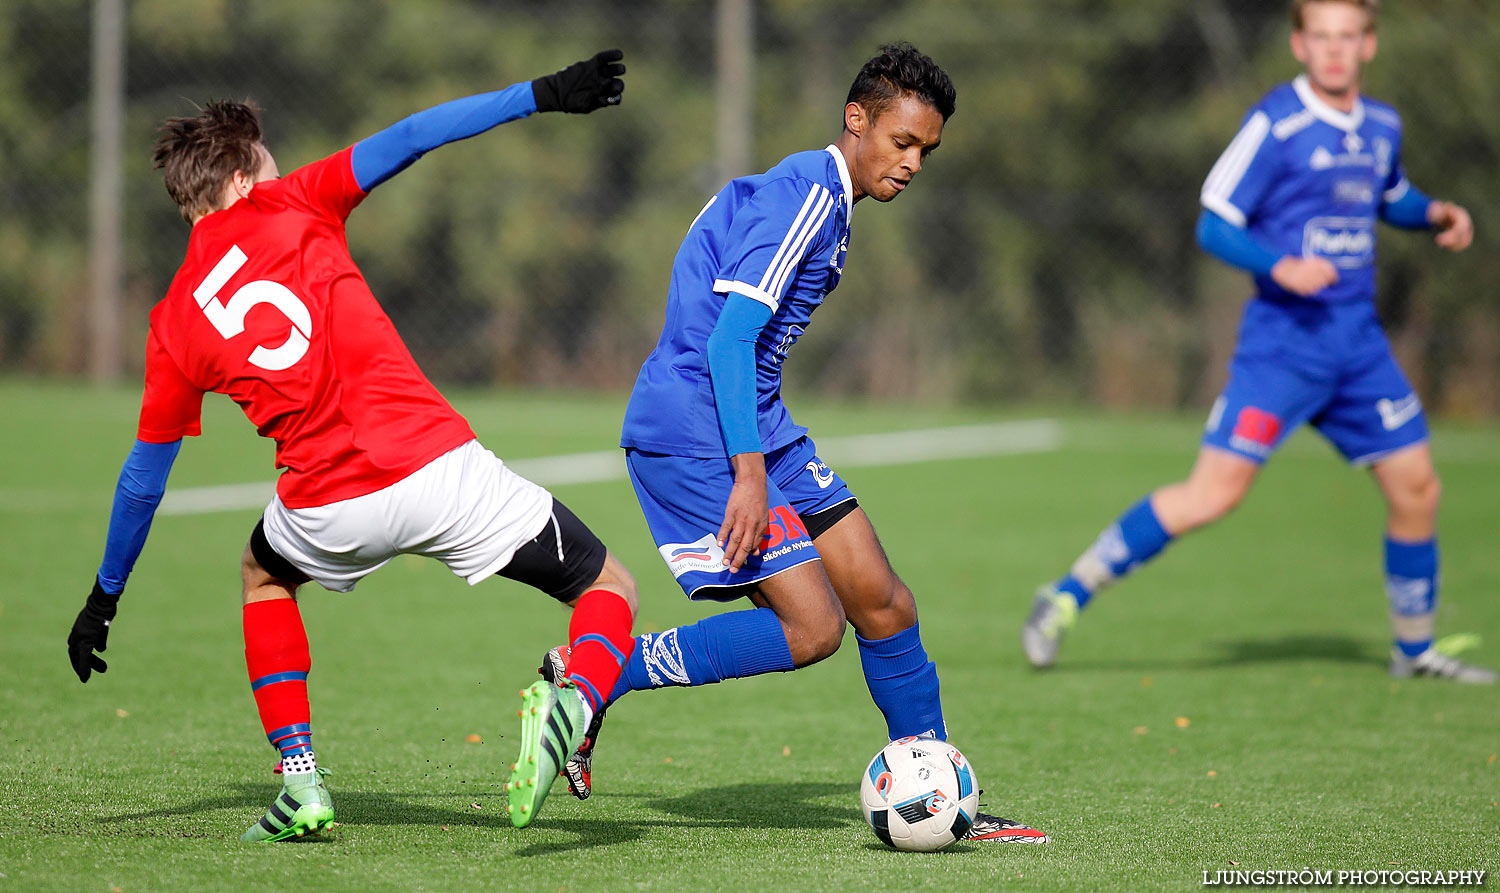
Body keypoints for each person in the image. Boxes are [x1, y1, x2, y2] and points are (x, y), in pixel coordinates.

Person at [66, 50, 644, 841]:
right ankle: (574, 700)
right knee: (605, 581)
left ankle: (301, 780)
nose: (277, 172)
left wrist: (105, 596)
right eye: (266, 164)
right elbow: (413, 133)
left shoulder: (173, 322)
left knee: (263, 574)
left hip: (325, 510)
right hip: (439, 472)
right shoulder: (296, 199)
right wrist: (540, 95)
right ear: (240, 178)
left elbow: (142, 480)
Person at [537, 42, 1046, 843]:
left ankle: (941, 794)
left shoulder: (826, 198)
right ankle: (595, 674)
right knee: (813, 629)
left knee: (882, 599)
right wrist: (748, 474)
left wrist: (759, 452)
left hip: (759, 423)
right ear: (858, 120)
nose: (913, 163)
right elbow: (729, 342)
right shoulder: (805, 196)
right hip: (700, 429)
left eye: (926, 151)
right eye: (902, 141)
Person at [1022, 0, 1492, 684]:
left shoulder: (1382, 124)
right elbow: (1214, 223)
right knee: (1211, 496)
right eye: (1321, 37)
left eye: (1349, 36)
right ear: (1301, 44)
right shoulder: (1278, 124)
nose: (1335, 50)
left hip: (1358, 347)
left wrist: (1435, 213)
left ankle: (1414, 651)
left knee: (1417, 486)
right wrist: (1281, 265)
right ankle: (1065, 595)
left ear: (1369, 44)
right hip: (1282, 349)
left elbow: (1388, 196)